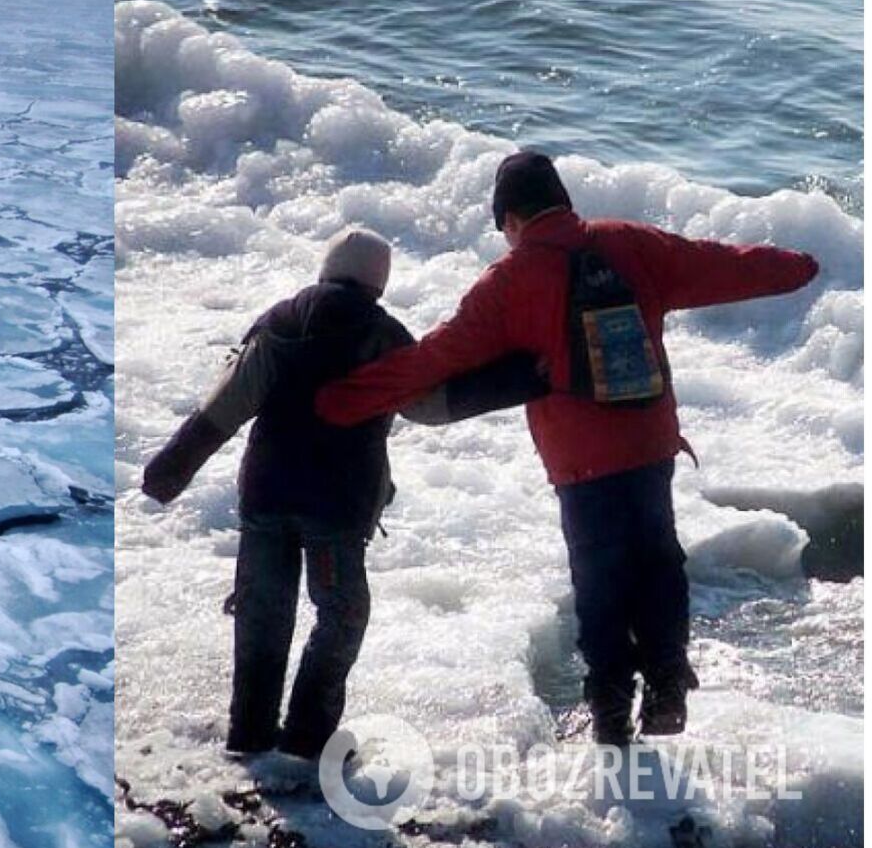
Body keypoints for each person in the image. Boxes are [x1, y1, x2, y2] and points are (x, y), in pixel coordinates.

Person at [316, 151, 820, 746]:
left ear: (510, 219)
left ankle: (610, 711)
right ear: (562, 199)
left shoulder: (509, 281)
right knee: (658, 559)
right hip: (650, 442)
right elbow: (723, 264)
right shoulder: (631, 243)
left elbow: (434, 358)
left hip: (580, 460)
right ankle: (667, 685)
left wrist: (341, 400)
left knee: (599, 576)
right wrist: (800, 265)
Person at [141, 228, 432, 759]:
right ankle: (306, 740)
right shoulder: (387, 336)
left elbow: (224, 406)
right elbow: (431, 405)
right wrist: (519, 376)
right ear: (379, 284)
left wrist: (168, 472)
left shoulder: (279, 322)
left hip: (266, 497)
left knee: (263, 615)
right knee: (342, 614)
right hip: (335, 509)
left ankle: (248, 737)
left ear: (326, 268)